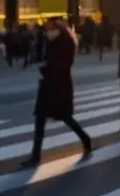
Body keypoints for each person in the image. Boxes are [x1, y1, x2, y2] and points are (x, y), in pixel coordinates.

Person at [21, 18, 92, 167]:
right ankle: (35, 156)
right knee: (41, 118)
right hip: (49, 85)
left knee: (65, 117)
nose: (47, 33)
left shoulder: (65, 44)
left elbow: (61, 65)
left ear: (57, 30)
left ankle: (85, 139)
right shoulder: (54, 43)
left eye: (49, 31)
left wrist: (43, 70)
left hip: (59, 86)